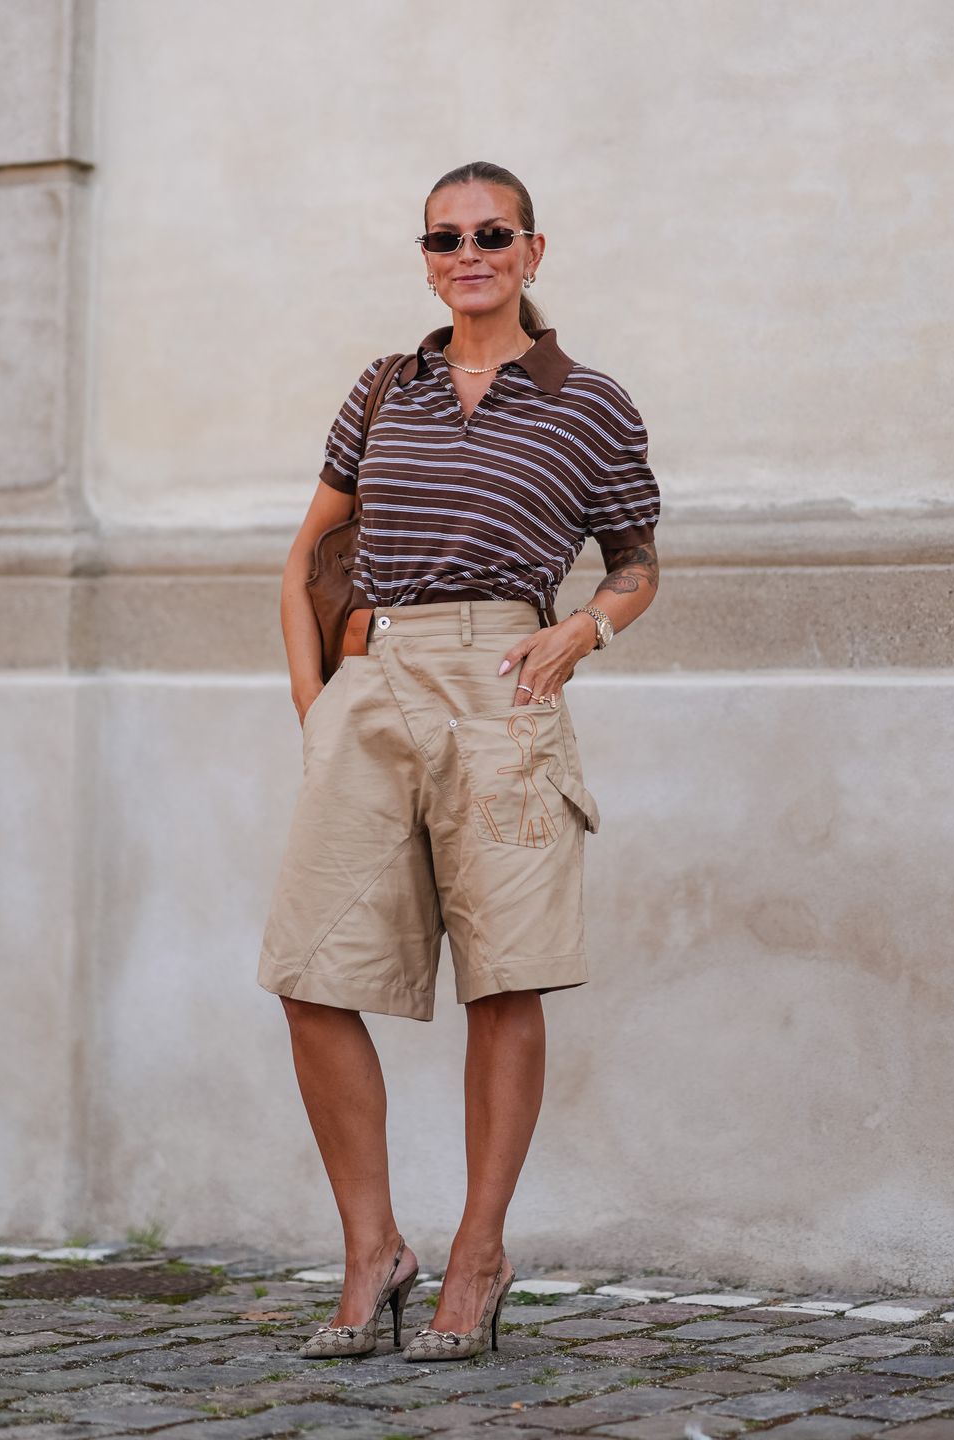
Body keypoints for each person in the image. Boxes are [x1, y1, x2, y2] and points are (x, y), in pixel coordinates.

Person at [257, 160, 660, 1362]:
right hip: (373, 682)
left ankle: (478, 1253)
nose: (465, 253)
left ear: (535, 251)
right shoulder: (385, 387)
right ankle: (371, 1247)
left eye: (491, 234)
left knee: (508, 978)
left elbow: (637, 565)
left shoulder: (593, 404)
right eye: (443, 238)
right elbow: (304, 560)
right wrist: (315, 706)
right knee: (310, 970)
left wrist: (584, 629)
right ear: (426, 256)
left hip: (503, 685)